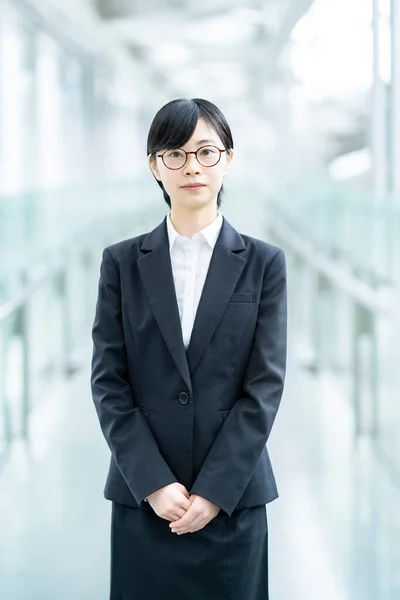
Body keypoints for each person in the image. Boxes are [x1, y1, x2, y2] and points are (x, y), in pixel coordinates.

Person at [90, 97, 287, 600]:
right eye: (174, 154)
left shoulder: (264, 263)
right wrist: (153, 482)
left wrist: (216, 490)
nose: (191, 167)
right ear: (155, 165)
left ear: (229, 159)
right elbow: (109, 381)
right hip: (145, 500)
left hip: (231, 502)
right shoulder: (122, 262)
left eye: (206, 151)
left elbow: (263, 387)